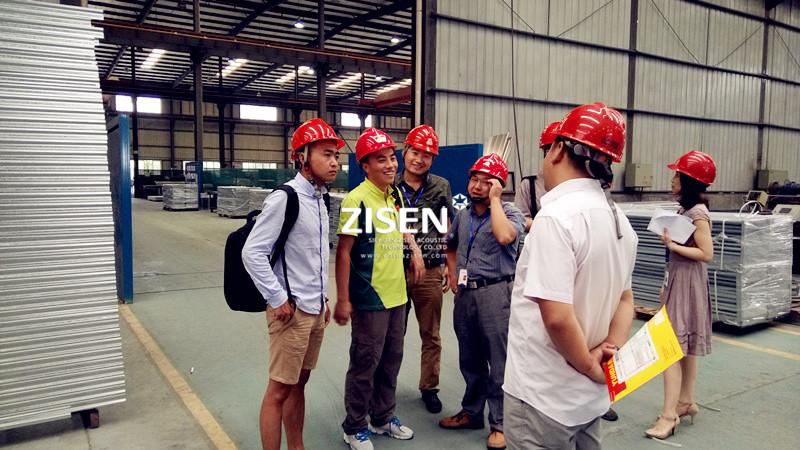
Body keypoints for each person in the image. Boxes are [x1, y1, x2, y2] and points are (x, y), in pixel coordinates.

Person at [503, 102, 638, 449]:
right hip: (589, 400)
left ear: (559, 149)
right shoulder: (620, 221)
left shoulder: (555, 219)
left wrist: (590, 366)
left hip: (543, 397)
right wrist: (609, 354)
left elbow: (558, 318)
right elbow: (626, 300)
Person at [241, 118, 343, 450]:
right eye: (326, 154)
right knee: (278, 390)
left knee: (299, 383)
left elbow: (313, 256)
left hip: (313, 309)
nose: (334, 162)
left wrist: (323, 298)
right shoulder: (286, 198)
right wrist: (277, 297)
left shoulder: (321, 199)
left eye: (336, 156)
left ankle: (296, 447)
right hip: (291, 312)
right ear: (302, 157)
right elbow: (252, 252)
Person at [334, 127, 425, 450]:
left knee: (391, 360)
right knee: (365, 364)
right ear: (365, 165)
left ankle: (382, 417)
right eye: (381, 159)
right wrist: (343, 299)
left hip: (398, 296)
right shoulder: (355, 200)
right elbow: (343, 252)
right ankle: (354, 426)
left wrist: (414, 248)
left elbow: (401, 226)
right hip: (370, 298)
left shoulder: (393, 195)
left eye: (392, 157)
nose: (391, 165)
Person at [440, 153, 526, 450]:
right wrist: (453, 273)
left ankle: (500, 423)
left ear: (499, 186)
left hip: (496, 294)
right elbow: (450, 245)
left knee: (499, 361)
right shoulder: (463, 215)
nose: (477, 186)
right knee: (470, 358)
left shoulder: (511, 213)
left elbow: (504, 237)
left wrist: (496, 201)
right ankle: (472, 413)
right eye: (474, 180)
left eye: (486, 182)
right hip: (466, 294)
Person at [646, 150, 716, 440]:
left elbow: (707, 253)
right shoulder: (686, 211)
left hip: (688, 282)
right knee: (683, 345)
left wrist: (672, 246)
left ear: (688, 181)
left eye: (677, 175)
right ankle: (685, 401)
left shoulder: (697, 213)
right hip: (680, 280)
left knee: (670, 348)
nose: (672, 179)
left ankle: (669, 415)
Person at [394, 124, 454, 414]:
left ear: (432, 159)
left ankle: (429, 387)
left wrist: (448, 264)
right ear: (405, 152)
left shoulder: (441, 186)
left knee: (431, 334)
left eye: (426, 155)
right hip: (394, 270)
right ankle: (384, 389)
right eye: (415, 152)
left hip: (430, 270)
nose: (419, 159)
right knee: (393, 334)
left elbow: (445, 227)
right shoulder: (390, 185)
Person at [514, 121, 558, 232]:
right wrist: (551, 228)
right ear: (548, 152)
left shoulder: (574, 185)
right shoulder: (529, 185)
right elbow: (519, 219)